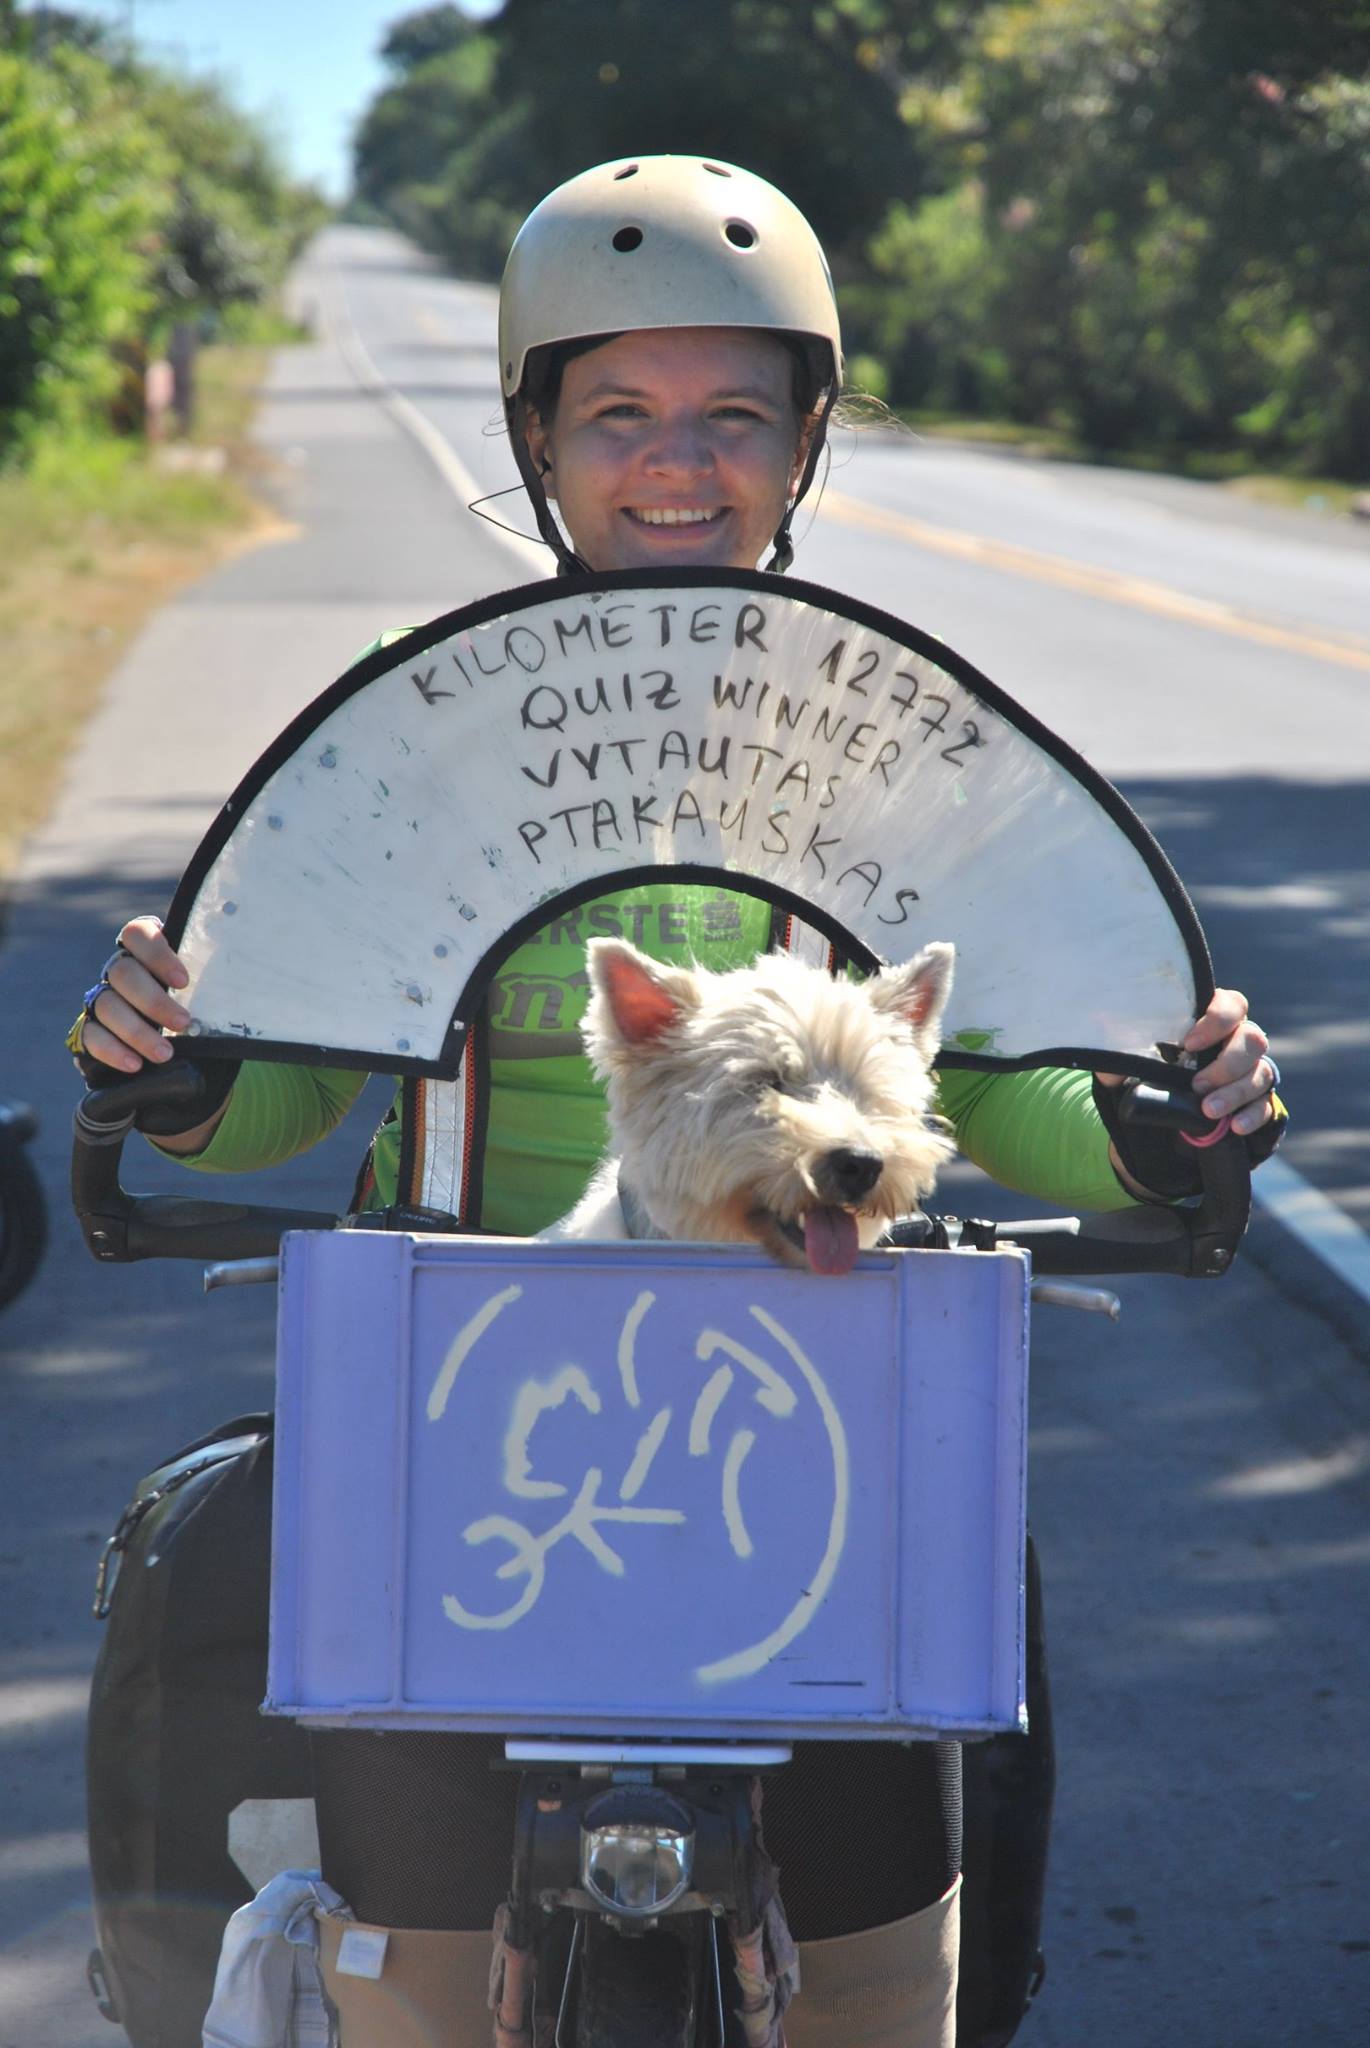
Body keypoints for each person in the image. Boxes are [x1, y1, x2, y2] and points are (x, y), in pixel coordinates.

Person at [71, 158, 1285, 2048]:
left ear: (804, 445)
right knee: (410, 1938)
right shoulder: (422, 708)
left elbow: (993, 1086)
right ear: (538, 443)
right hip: (450, 1401)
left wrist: (1155, 1122)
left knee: (884, 1941)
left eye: (733, 416)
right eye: (617, 414)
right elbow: (284, 1080)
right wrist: (174, 1071)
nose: (675, 464)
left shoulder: (891, 730)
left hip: (829, 1402)